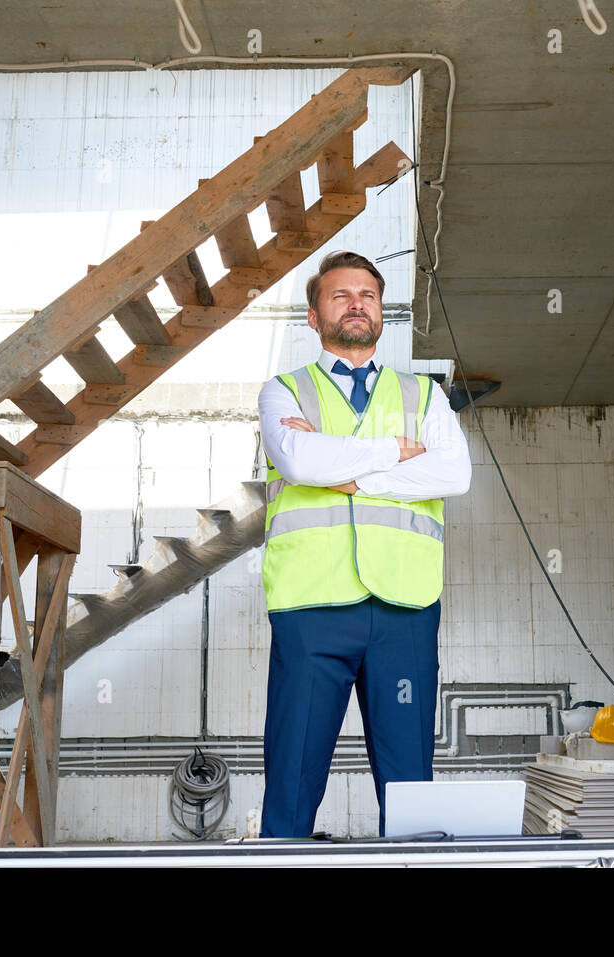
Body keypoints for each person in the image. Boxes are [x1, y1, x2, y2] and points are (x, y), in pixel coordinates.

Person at [256, 249, 472, 838]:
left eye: (368, 296)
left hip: (404, 607)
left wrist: (347, 470)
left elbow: (454, 476)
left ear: (381, 312)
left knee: (409, 784)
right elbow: (298, 459)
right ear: (312, 314)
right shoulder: (283, 392)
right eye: (340, 295)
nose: (357, 304)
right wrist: (393, 451)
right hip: (311, 607)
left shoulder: (425, 396)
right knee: (293, 774)